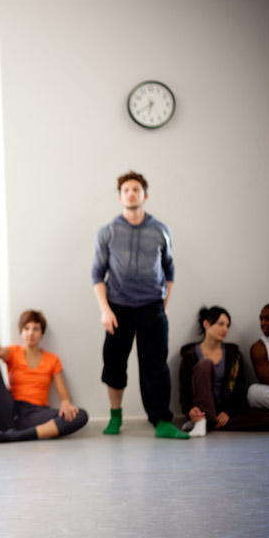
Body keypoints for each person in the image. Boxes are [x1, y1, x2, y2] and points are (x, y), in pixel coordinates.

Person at [91, 171, 188, 439]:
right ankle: (115, 417)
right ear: (120, 196)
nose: (131, 193)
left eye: (136, 189)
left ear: (145, 195)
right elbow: (97, 274)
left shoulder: (160, 230)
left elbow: (169, 271)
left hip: (151, 308)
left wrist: (164, 306)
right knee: (113, 364)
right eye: (126, 190)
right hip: (117, 308)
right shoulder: (108, 232)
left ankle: (162, 422)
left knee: (155, 366)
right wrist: (105, 309)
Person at [0, 310, 88, 442]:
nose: (30, 333)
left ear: (41, 333)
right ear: (21, 331)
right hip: (9, 411)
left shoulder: (52, 359)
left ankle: (19, 436)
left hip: (35, 415)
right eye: (26, 328)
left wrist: (66, 403)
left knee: (81, 415)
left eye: (36, 329)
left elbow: (64, 395)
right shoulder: (13, 352)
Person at [178, 306, 269, 436]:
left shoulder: (234, 355)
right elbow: (184, 390)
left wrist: (228, 413)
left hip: (225, 410)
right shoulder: (190, 355)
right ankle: (201, 419)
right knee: (205, 364)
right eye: (221, 324)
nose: (225, 329)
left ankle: (210, 422)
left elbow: (240, 389)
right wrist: (190, 411)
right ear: (206, 324)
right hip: (200, 408)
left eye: (227, 326)